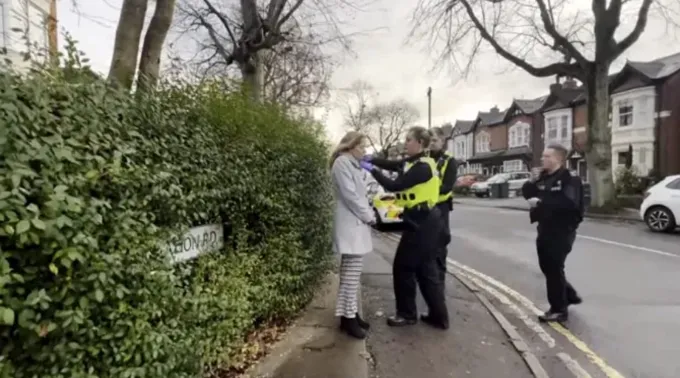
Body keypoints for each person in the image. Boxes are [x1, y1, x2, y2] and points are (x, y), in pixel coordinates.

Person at [361, 126, 449, 329]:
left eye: (409, 139)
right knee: (426, 269)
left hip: (423, 221)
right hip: (423, 218)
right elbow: (393, 165)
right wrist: (372, 159)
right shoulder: (414, 163)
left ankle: (407, 314)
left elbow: (395, 186)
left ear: (419, 143)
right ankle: (438, 316)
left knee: (403, 267)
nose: (406, 142)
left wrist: (372, 170)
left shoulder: (423, 167)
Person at [522, 143, 584, 323]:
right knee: (547, 266)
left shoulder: (569, 178)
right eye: (543, 156)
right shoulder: (542, 176)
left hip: (562, 229)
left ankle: (558, 310)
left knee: (554, 267)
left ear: (558, 158)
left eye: (547, 156)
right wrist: (531, 181)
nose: (543, 159)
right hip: (545, 227)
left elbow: (569, 204)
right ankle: (569, 295)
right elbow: (527, 193)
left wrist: (540, 204)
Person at [330, 131, 376, 339]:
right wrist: (370, 216)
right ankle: (348, 319)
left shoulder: (353, 165)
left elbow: (363, 193)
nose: (364, 151)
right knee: (350, 277)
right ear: (350, 146)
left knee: (351, 276)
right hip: (350, 225)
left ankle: (349, 314)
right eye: (362, 146)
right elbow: (351, 196)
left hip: (355, 225)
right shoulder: (342, 163)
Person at [428, 127, 457, 285]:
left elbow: (447, 186)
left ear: (442, 141)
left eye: (434, 141)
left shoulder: (448, 160)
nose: (431, 144)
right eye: (429, 141)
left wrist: (428, 192)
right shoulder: (425, 158)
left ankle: (439, 284)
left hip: (440, 207)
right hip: (425, 208)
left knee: (439, 247)